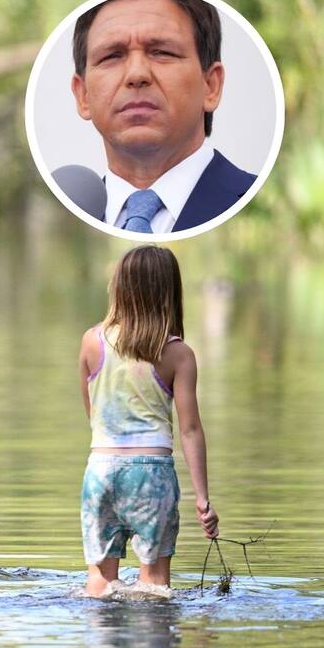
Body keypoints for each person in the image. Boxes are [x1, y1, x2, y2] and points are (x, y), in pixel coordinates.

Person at [78, 245, 219, 595]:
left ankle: (100, 628)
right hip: (152, 474)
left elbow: (92, 413)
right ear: (169, 291)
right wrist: (202, 499)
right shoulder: (178, 354)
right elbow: (190, 429)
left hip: (101, 469)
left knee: (99, 582)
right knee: (154, 585)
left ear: (119, 287)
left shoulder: (92, 341)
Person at [70, 0, 256, 232]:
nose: (137, 74)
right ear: (83, 94)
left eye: (162, 53)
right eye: (112, 56)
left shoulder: (256, 203)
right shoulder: (68, 216)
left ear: (211, 86)